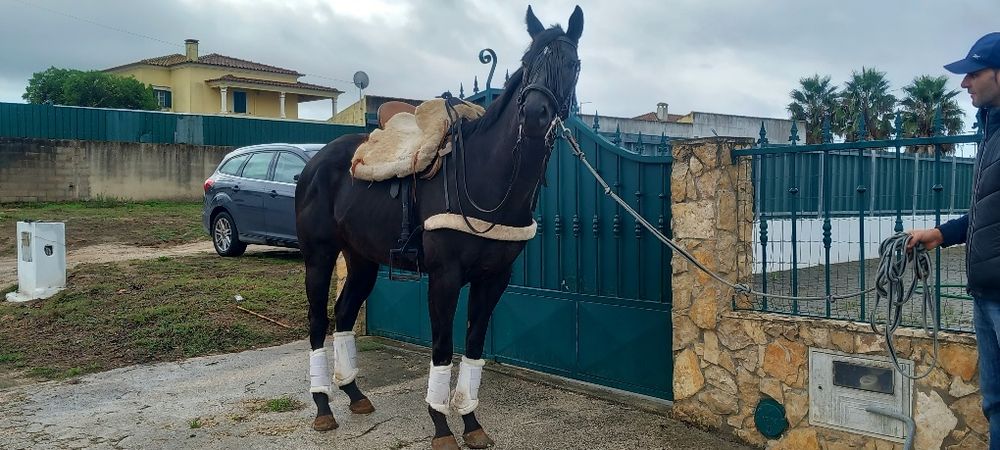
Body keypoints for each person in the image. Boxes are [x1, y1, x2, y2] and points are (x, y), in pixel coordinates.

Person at [907, 31, 1000, 449]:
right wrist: (940, 234)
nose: (965, 84)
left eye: (974, 73)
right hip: (985, 294)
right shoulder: (990, 135)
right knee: (996, 404)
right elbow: (987, 215)